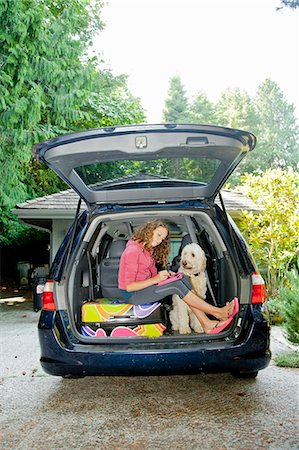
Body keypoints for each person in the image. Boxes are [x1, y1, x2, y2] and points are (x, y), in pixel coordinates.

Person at [118, 220, 239, 334]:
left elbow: (152, 276)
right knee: (176, 284)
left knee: (182, 279)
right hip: (133, 295)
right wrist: (157, 279)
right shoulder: (133, 251)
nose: (160, 240)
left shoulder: (148, 251)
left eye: (163, 238)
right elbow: (129, 287)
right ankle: (217, 313)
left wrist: (168, 276)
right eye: (159, 235)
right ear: (149, 230)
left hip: (144, 289)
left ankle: (206, 323)